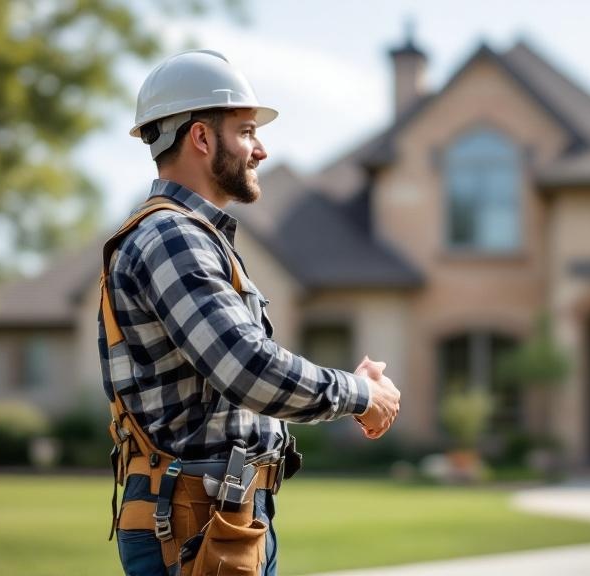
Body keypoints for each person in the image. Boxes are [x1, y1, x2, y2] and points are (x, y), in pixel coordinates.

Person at [98, 49, 401, 576]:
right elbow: (247, 368)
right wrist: (361, 395)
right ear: (200, 137)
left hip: (217, 514)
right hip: (192, 519)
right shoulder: (173, 236)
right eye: (245, 131)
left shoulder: (190, 236)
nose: (261, 150)